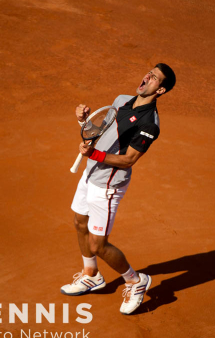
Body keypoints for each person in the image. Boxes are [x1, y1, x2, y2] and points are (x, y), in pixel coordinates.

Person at [61, 63, 176, 314]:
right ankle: (91, 274)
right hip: (91, 174)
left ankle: (136, 281)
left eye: (154, 78)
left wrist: (95, 154)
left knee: (98, 245)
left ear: (162, 90)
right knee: (80, 222)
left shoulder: (149, 123)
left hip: (108, 186)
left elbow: (129, 160)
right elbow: (97, 132)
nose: (147, 77)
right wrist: (83, 122)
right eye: (149, 73)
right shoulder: (122, 100)